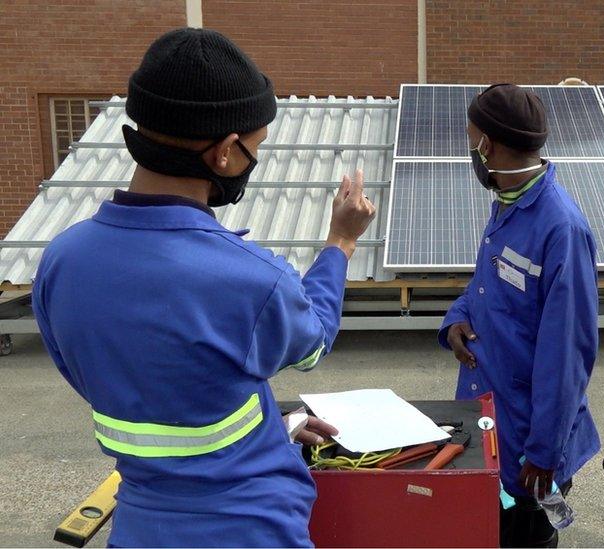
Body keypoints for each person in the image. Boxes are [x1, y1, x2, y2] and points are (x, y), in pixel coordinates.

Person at [31, 29, 375, 547]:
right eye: (254, 148)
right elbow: (314, 342)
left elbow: (149, 394)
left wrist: (267, 427)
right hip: (250, 531)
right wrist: (341, 242)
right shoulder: (252, 280)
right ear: (225, 154)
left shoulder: (61, 261)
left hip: (139, 530)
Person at [438, 83, 600, 548]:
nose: (471, 149)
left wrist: (544, 453)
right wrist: (456, 319)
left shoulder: (560, 228)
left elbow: (567, 353)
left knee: (523, 539)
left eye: (472, 139)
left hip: (529, 447)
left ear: (487, 144)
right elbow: (483, 286)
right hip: (488, 420)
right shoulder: (508, 203)